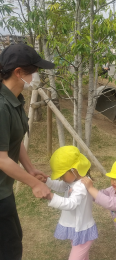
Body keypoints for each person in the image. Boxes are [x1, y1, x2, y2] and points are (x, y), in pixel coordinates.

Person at [0, 43, 53, 260]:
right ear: (19, 72)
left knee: (14, 241)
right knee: (9, 250)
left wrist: (30, 168)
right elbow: (1, 159)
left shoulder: (16, 100)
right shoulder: (1, 107)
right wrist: (34, 184)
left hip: (4, 189)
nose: (37, 75)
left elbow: (14, 139)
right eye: (34, 70)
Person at [42, 146, 98, 260]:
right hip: (77, 229)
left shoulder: (81, 185)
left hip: (83, 230)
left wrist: (51, 197)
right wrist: (46, 181)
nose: (61, 178)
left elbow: (71, 204)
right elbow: (59, 186)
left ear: (74, 170)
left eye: (62, 175)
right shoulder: (72, 181)